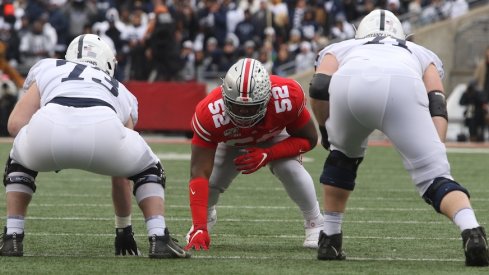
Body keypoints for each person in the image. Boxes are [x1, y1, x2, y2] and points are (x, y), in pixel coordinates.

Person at [309, 9, 489, 266]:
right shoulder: (419, 51)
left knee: (341, 159)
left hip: (349, 84)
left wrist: (326, 128)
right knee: (434, 177)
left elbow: (319, 85)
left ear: (360, 32)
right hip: (403, 85)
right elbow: (437, 101)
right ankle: (471, 230)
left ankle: (330, 237)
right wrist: (436, 148)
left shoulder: (342, 47)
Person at [0, 34, 190, 259]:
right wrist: (123, 229)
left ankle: (12, 236)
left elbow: (14, 125)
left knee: (18, 159)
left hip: (47, 128)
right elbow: (122, 174)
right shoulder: (120, 89)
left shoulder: (49, 67)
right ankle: (158, 238)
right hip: (104, 128)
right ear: (107, 61)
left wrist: (50, 144)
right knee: (149, 168)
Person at [184, 58, 324, 251]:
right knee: (212, 181)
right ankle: (205, 220)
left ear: (267, 98)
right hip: (232, 141)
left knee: (289, 168)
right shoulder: (210, 112)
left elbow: (309, 139)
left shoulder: (286, 95)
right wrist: (198, 225)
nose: (242, 114)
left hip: (274, 135)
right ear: (225, 97)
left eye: (250, 107)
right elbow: (198, 173)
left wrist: (269, 154)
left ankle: (315, 222)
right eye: (236, 106)